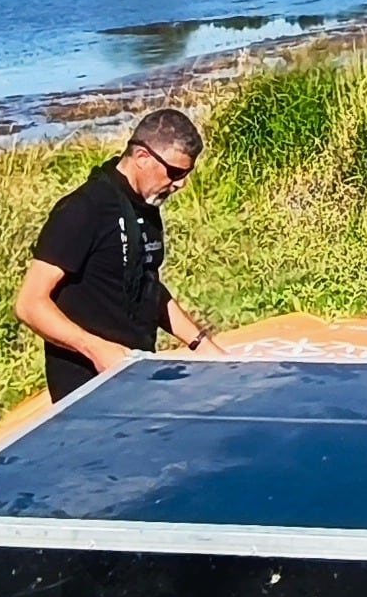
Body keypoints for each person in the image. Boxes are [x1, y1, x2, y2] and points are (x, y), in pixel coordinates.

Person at [14, 109, 226, 396]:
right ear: (142, 158)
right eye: (175, 173)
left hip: (136, 374)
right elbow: (29, 303)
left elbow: (146, 285)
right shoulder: (84, 209)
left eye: (186, 174)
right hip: (88, 387)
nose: (180, 184)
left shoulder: (145, 205)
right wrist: (96, 349)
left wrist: (201, 344)